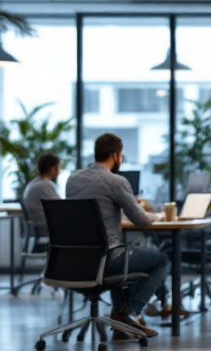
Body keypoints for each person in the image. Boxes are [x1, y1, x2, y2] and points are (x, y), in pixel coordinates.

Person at [64, 133, 167, 340]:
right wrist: (159, 215)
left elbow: (89, 212)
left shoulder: (72, 180)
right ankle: (129, 313)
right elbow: (141, 220)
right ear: (116, 155)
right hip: (107, 260)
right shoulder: (116, 181)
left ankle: (120, 317)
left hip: (73, 263)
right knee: (161, 261)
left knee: (125, 249)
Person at [21, 152, 62, 235]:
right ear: (52, 169)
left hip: (36, 227)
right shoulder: (44, 185)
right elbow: (60, 206)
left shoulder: (33, 183)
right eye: (58, 167)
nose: (60, 171)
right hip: (45, 228)